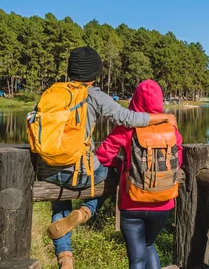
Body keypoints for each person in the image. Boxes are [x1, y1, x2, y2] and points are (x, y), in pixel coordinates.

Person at [32, 47, 177, 269]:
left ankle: (65, 259)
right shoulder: (94, 95)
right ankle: (87, 210)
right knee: (114, 175)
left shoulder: (51, 93)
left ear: (71, 70)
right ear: (95, 73)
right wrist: (164, 117)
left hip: (48, 171)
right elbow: (127, 118)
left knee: (59, 205)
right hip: (81, 172)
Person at [96, 80, 183, 269]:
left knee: (136, 258)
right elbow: (178, 162)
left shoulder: (126, 128)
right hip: (163, 202)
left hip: (132, 201)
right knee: (149, 245)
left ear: (135, 100)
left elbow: (103, 155)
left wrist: (120, 163)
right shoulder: (171, 129)